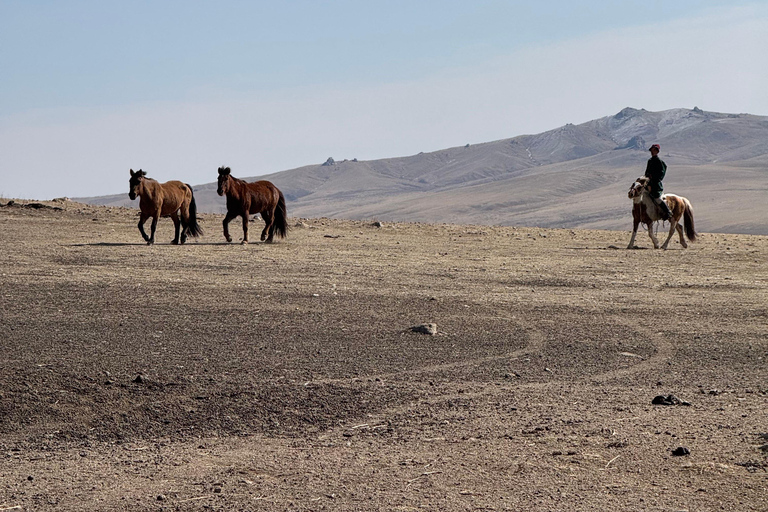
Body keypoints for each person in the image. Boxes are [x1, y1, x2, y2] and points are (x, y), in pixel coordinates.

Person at [644, 144, 672, 221]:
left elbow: (661, 174)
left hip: (656, 186)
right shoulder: (649, 161)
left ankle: (668, 212)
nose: (652, 152)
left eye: (654, 150)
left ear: (657, 151)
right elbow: (646, 172)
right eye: (652, 150)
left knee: (657, 199)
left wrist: (653, 180)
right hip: (648, 184)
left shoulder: (660, 162)